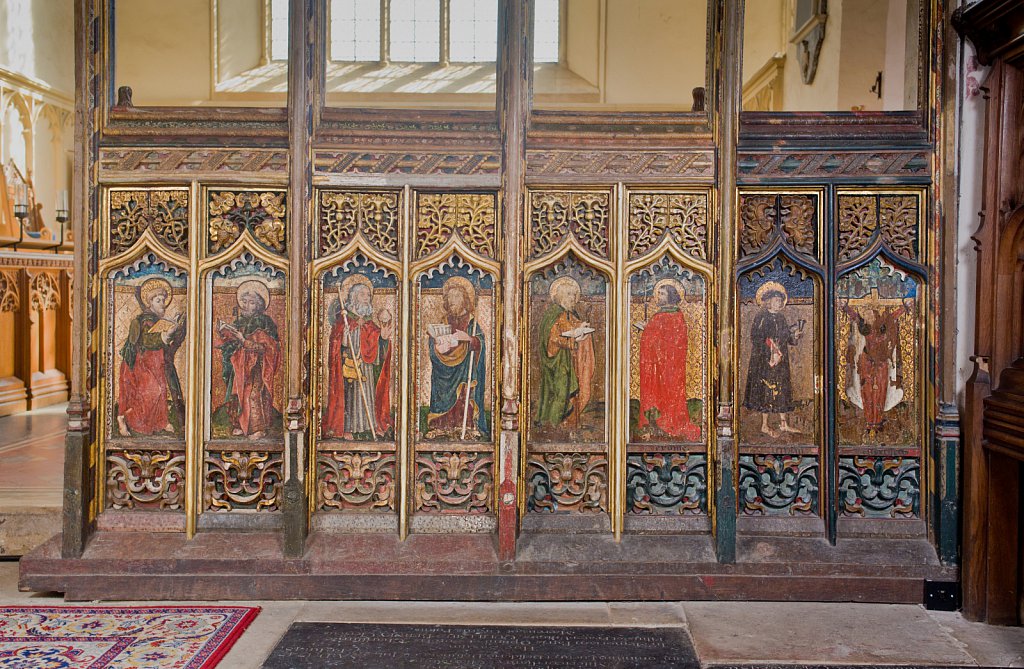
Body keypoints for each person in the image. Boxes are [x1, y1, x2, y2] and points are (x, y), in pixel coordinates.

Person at [322, 276, 393, 440]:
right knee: (350, 397)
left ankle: (369, 426)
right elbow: (335, 345)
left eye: (368, 295)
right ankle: (348, 428)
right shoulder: (343, 321)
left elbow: (379, 348)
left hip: (366, 368)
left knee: (367, 395)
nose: (366, 298)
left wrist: (382, 338)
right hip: (348, 366)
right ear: (353, 297)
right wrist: (344, 340)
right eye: (362, 294)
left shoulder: (370, 323)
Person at [117, 277, 185, 436]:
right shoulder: (145, 320)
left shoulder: (157, 319)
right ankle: (126, 418)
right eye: (158, 300)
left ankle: (160, 422)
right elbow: (147, 340)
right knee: (153, 391)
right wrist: (167, 334)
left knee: (161, 391)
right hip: (141, 363)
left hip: (156, 361)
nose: (162, 304)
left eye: (163, 300)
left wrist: (172, 328)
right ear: (150, 303)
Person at [216, 280, 281, 439]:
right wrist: (224, 334)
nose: (246, 306)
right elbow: (231, 344)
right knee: (238, 393)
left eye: (251, 303)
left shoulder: (265, 322)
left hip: (258, 366)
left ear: (259, 305)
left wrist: (244, 341)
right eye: (244, 301)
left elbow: (267, 348)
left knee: (252, 394)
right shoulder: (240, 321)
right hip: (240, 365)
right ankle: (239, 424)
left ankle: (258, 428)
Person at [425, 276, 488, 440]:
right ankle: (441, 427)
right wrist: (437, 345)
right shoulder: (444, 321)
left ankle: (466, 427)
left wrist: (469, 339)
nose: (452, 300)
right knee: (441, 393)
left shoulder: (471, 322)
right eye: (450, 297)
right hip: (443, 370)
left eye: (456, 296)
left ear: (465, 300)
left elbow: (479, 343)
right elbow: (433, 343)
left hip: (464, 368)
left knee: (464, 394)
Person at [637, 279, 701, 441]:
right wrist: (649, 330)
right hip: (659, 365)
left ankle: (669, 424)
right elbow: (657, 336)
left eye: (662, 294)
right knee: (658, 392)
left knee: (670, 394)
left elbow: (674, 341)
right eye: (658, 293)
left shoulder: (672, 316)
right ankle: (656, 425)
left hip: (670, 366)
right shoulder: (666, 315)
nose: (658, 296)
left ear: (670, 296)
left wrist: (647, 330)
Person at [841, 296, 912, 431]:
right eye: (867, 316)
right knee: (867, 393)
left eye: (871, 315)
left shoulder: (883, 328)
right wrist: (846, 308)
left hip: (881, 364)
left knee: (880, 391)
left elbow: (892, 318)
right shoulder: (865, 329)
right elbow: (856, 317)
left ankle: (877, 420)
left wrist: (904, 308)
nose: (869, 317)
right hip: (867, 364)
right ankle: (869, 420)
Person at [743, 281, 804, 438]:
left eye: (780, 301)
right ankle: (764, 425)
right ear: (769, 301)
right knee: (766, 389)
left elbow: (787, 337)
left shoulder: (781, 318)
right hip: (764, 360)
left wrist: (794, 336)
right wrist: (770, 346)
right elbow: (755, 337)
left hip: (780, 360)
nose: (779, 303)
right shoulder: (761, 317)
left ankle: (783, 423)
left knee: (782, 387)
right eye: (777, 300)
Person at [535, 276, 596, 431]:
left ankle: (565, 424)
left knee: (565, 393)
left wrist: (581, 326)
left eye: (574, 296)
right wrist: (572, 341)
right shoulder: (554, 314)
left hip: (565, 361)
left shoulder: (567, 313)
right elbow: (553, 338)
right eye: (570, 295)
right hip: (557, 362)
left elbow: (571, 325)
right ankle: (553, 426)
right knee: (560, 393)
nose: (573, 299)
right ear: (561, 296)